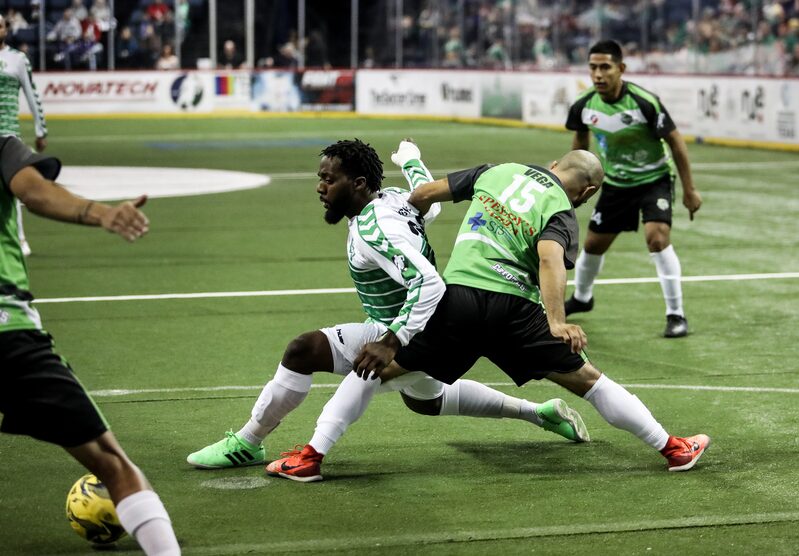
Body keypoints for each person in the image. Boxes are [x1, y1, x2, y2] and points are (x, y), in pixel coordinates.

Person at [187, 140, 589, 481]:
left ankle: (264, 446)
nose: (320, 187)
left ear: (358, 183)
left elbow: (428, 281)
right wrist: (411, 161)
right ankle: (540, 413)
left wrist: (390, 340)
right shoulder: (393, 199)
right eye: (320, 178)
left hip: (419, 326)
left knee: (313, 353)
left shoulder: (377, 229)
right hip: (417, 320)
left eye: (329, 179)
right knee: (425, 400)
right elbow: (428, 204)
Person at [352, 149, 709, 473]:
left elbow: (425, 194)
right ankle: (673, 449)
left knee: (375, 370)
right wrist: (557, 322)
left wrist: (401, 218)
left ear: (554, 164)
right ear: (588, 193)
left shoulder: (499, 171)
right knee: (590, 382)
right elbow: (550, 259)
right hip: (513, 311)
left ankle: (314, 452)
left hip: (457, 301)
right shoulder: (561, 209)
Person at [0, 135, 180, 555]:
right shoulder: (2, 149)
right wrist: (100, 214)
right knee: (112, 463)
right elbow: (35, 191)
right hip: (8, 332)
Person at [564, 39, 701, 338]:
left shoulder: (643, 102)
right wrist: (573, 182)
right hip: (616, 185)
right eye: (592, 68)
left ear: (621, 69)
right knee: (592, 246)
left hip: (654, 181)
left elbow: (676, 142)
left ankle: (676, 314)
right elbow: (580, 144)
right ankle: (583, 299)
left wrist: (690, 190)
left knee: (657, 238)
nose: (598, 74)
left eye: (605, 67)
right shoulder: (584, 106)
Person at [0, 14, 46, 258]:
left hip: (9, 135)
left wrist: (41, 130)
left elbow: (32, 95)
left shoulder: (17, 59)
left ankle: (19, 239)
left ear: (6, 29)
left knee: (12, 189)